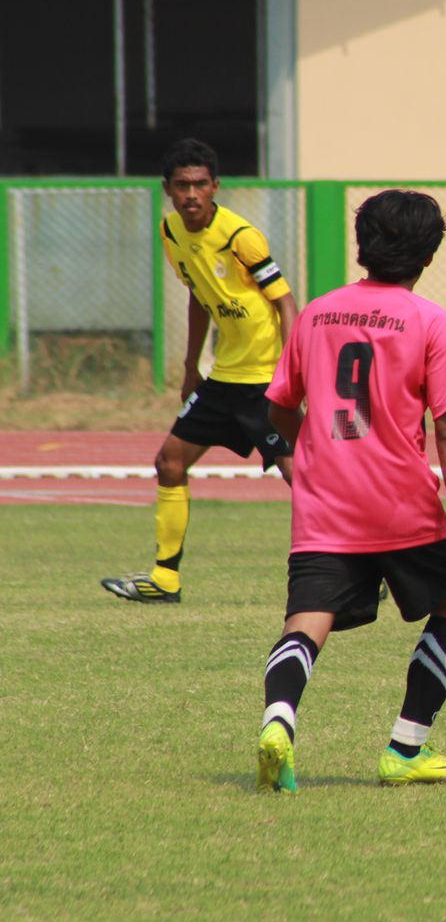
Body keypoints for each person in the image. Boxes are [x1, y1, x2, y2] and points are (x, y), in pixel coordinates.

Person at [254, 189, 446, 792]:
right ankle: (405, 749)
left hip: (325, 503)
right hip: (400, 501)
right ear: (428, 255)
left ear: (362, 246)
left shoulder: (316, 313)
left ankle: (278, 720)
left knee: (306, 621)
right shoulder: (431, 321)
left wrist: (312, 455)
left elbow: (278, 408)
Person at [101, 138, 298, 603]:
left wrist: (292, 371)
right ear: (167, 188)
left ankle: (362, 567)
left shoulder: (240, 236)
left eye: (200, 184)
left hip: (264, 380)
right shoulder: (171, 232)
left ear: (215, 187)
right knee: (169, 463)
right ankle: (165, 580)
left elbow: (286, 303)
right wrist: (192, 366)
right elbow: (198, 294)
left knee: (306, 479)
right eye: (182, 185)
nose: (191, 194)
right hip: (223, 379)